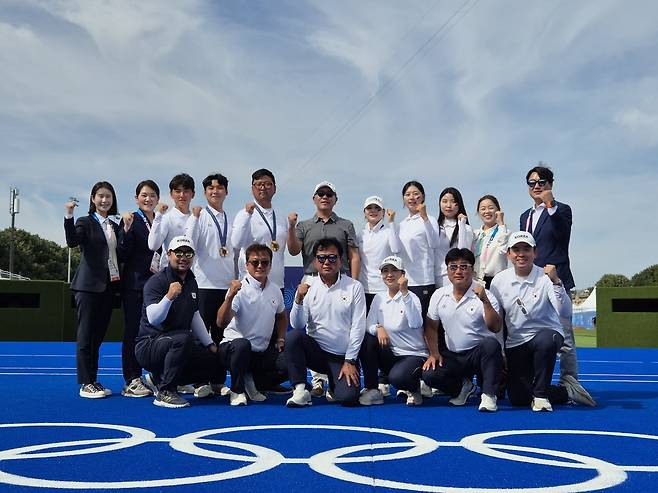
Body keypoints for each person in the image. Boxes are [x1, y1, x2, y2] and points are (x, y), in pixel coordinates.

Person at [135, 236, 250, 408]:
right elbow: (153, 318)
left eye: (188, 253)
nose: (183, 257)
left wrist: (211, 345)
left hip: (177, 343)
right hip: (149, 345)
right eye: (179, 253)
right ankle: (166, 392)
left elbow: (195, 315)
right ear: (169, 254)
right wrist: (169, 297)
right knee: (184, 338)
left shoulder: (191, 281)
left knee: (213, 360)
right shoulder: (157, 282)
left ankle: (158, 377)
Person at [490, 232, 593, 411]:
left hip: (546, 335)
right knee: (518, 398)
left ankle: (541, 396)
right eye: (516, 249)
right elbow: (498, 321)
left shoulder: (546, 278)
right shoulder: (499, 281)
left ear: (535, 253)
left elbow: (565, 312)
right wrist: (501, 351)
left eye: (526, 249)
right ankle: (566, 391)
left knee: (546, 340)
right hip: (516, 342)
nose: (521, 254)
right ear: (508, 254)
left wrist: (556, 281)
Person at [519, 164, 595, 406]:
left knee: (565, 337)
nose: (537, 186)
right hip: (531, 284)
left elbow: (562, 236)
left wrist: (551, 206)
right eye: (532, 182)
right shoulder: (525, 216)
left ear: (551, 184)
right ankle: (535, 382)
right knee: (531, 332)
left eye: (542, 181)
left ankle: (570, 383)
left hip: (556, 280)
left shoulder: (562, 210)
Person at [287, 181, 360, 396]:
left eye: (329, 194)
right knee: (311, 327)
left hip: (341, 279)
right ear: (314, 198)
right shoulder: (304, 225)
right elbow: (292, 250)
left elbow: (353, 255)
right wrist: (291, 226)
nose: (325, 197)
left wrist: (352, 282)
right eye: (321, 193)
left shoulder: (346, 224)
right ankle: (313, 381)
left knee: (340, 325)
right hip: (311, 280)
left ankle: (336, 376)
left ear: (335, 199)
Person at [286, 238, 366, 407]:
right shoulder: (308, 286)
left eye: (332, 257)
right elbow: (297, 325)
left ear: (340, 260)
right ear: (315, 262)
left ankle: (333, 384)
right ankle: (301, 389)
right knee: (293, 337)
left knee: (348, 398)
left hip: (342, 358)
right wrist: (299, 299)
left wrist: (350, 361)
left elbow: (358, 327)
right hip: (317, 355)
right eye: (321, 258)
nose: (327, 262)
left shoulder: (354, 287)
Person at [422, 248, 503, 412]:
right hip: (453, 355)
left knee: (490, 344)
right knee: (429, 375)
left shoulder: (485, 295)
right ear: (447, 271)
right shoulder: (439, 295)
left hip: (478, 355)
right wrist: (433, 353)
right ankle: (463, 387)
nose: (458, 271)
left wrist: (485, 302)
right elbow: (431, 326)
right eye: (453, 267)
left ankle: (488, 395)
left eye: (464, 267)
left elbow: (495, 327)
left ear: (472, 270)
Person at [64, 181, 125, 398]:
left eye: (108, 196)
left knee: (97, 337)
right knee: (85, 336)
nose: (104, 200)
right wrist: (69, 215)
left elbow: (122, 253)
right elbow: (72, 241)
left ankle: (93, 380)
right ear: (93, 199)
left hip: (109, 287)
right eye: (100, 196)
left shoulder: (115, 226)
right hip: (88, 287)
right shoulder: (85, 222)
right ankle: (85, 383)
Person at [217, 244, 288, 402]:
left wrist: (281, 338)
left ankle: (254, 382)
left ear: (270, 265)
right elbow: (221, 322)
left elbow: (282, 316)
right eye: (255, 262)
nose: (260, 266)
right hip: (233, 350)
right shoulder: (239, 289)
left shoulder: (275, 290)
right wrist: (229, 298)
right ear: (247, 265)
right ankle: (237, 390)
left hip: (259, 354)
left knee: (291, 359)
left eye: (265, 262)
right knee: (242, 345)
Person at [358, 256, 428, 406]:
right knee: (367, 339)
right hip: (391, 353)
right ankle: (372, 389)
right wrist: (378, 328)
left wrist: (404, 293)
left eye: (394, 270)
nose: (389, 274)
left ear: (402, 274)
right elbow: (367, 325)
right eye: (385, 271)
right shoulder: (379, 298)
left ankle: (414, 387)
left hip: (413, 354)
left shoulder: (412, 297)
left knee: (398, 378)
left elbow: (416, 323)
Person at [116, 179, 161, 398]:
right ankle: (131, 379)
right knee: (133, 331)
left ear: (158, 199)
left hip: (155, 286)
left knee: (156, 332)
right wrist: (124, 229)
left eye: (152, 195)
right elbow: (122, 253)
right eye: (144, 195)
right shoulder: (131, 220)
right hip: (134, 285)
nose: (148, 199)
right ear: (136, 198)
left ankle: (154, 376)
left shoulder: (160, 220)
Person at [184, 173, 235, 344]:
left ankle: (218, 372)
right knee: (201, 336)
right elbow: (189, 243)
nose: (215, 191)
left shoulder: (230, 219)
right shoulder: (199, 216)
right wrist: (194, 218)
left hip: (226, 286)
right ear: (205, 192)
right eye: (211, 188)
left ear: (226, 192)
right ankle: (200, 371)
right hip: (204, 285)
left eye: (220, 188)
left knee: (222, 336)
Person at [231, 169, 289, 290]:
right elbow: (235, 243)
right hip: (250, 284)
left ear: (275, 188)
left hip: (277, 285)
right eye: (258, 184)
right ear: (252, 189)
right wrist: (247, 214)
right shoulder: (244, 214)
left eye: (267, 184)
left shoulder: (281, 216)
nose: (263, 187)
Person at [397, 181, 441, 317]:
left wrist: (425, 217)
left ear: (422, 197)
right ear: (403, 199)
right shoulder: (401, 224)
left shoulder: (430, 220)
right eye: (408, 194)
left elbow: (434, 243)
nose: (412, 198)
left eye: (416, 194)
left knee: (425, 323)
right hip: (405, 282)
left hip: (424, 281)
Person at [356, 196, 401, 312]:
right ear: (364, 212)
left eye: (377, 208)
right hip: (364, 288)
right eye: (369, 208)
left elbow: (396, 249)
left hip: (383, 288)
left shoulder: (388, 231)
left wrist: (391, 222)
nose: (373, 211)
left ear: (383, 212)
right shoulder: (360, 235)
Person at [148, 173, 195, 270]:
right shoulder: (167, 218)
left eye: (186, 191)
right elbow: (153, 245)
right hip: (170, 274)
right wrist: (158, 216)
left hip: (192, 275)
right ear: (171, 194)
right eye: (178, 191)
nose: (182, 195)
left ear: (193, 194)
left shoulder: (196, 219)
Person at [436, 187, 474, 288]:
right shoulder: (434, 227)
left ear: (459, 204)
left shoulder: (466, 228)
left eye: (453, 202)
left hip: (458, 277)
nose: (448, 205)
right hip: (437, 277)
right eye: (444, 201)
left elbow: (463, 252)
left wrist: (461, 225)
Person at [473, 195, 509, 289]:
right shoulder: (475, 234)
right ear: (478, 212)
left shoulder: (504, 232)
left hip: (496, 281)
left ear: (498, 210)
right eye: (483, 209)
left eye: (491, 208)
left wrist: (501, 224)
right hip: (476, 280)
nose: (487, 211)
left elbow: (503, 250)